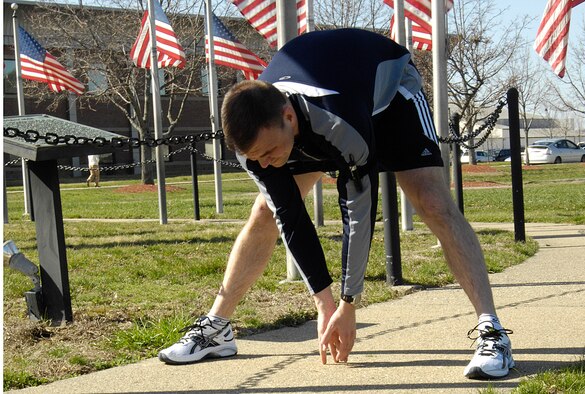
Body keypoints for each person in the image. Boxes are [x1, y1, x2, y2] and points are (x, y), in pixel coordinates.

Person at [158, 28, 514, 379]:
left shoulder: (339, 123)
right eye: (256, 157)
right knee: (265, 212)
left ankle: (492, 330)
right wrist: (323, 304)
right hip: (323, 110)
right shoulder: (253, 147)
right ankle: (217, 327)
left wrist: (348, 303)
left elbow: (357, 215)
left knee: (433, 202)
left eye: (268, 152)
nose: (264, 163)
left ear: (287, 116)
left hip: (389, 98)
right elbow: (291, 218)